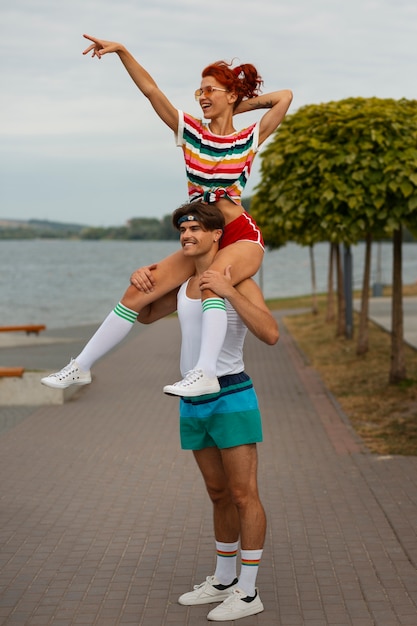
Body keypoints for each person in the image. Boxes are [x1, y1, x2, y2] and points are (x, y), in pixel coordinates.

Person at [40, 34, 291, 396]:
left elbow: (285, 97)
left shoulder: (249, 138)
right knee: (139, 289)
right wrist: (124, 52)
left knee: (213, 282)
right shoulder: (189, 131)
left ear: (230, 95)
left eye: (209, 90)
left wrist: (236, 107)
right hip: (202, 233)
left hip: (239, 234)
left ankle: (205, 372)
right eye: (198, 92)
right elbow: (152, 92)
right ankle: (81, 365)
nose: (202, 97)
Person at [138, 201, 279, 621]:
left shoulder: (241, 277)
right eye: (183, 230)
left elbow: (270, 333)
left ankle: (249, 592)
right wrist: (141, 277)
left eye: (197, 228)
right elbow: (144, 315)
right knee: (217, 494)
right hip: (192, 400)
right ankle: (223, 579)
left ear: (218, 235)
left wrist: (229, 290)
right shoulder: (183, 287)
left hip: (231, 394)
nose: (187, 235)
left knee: (242, 494)